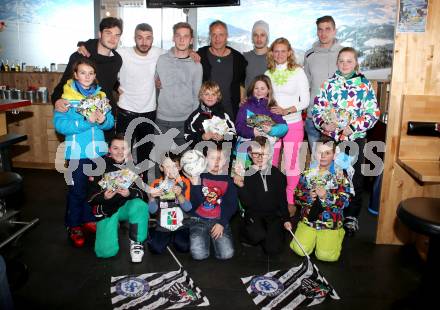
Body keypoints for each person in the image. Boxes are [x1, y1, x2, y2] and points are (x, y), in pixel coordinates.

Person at [312, 47, 380, 236]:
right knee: (328, 175)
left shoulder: (364, 85)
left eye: (349, 61)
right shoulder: (328, 84)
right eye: (341, 61)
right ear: (337, 63)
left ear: (356, 63)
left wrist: (354, 127)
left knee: (353, 178)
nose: (345, 64)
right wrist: (324, 123)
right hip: (330, 140)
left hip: (353, 140)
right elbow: (317, 109)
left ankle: (351, 216)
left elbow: (373, 113)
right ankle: (329, 210)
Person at [53, 58, 114, 247]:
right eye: (83, 73)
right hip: (77, 154)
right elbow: (60, 125)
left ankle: (88, 219)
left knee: (94, 190)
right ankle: (74, 225)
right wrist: (86, 122)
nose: (87, 76)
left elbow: (110, 123)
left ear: (95, 76)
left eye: (90, 73)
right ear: (75, 74)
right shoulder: (66, 98)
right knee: (77, 191)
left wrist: (104, 120)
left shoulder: (101, 97)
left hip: (98, 154)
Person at [265, 37, 310, 217]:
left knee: (291, 164)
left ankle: (290, 202)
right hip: (273, 126)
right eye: (276, 51)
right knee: (271, 162)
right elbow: (264, 98)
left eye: (283, 51)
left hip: (293, 123)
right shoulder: (268, 73)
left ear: (289, 52)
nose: (280, 54)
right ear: (272, 53)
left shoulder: (298, 72)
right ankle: (272, 197)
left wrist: (286, 111)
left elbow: (305, 100)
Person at [88, 135, 149, 262]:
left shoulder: (134, 166)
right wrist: (103, 196)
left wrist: (129, 193)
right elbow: (90, 197)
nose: (120, 152)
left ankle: (137, 241)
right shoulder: (98, 165)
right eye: (115, 148)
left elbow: (143, 193)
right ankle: (111, 225)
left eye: (124, 148)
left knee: (140, 205)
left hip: (126, 207)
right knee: (105, 252)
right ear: (109, 149)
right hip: (107, 209)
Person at [291, 137, 351, 262]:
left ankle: (338, 234)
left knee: (326, 256)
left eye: (327, 153)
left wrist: (326, 196)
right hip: (309, 220)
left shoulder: (340, 176)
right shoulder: (307, 173)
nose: (323, 156)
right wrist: (308, 197)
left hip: (330, 223)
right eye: (320, 152)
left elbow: (345, 201)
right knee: (299, 250)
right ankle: (305, 232)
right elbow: (297, 195)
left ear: (334, 155)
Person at [52, 17, 123, 116]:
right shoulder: (80, 56)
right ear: (100, 34)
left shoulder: (117, 60)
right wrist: (57, 100)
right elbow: (63, 85)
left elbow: (107, 81)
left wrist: (117, 86)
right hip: (80, 116)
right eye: (108, 33)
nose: (113, 39)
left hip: (105, 116)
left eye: (117, 35)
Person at [235, 136, 292, 255]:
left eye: (263, 154)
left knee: (273, 249)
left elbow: (282, 199)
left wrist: (286, 218)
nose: (260, 158)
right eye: (256, 154)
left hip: (273, 215)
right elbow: (247, 204)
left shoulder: (278, 175)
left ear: (270, 153)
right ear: (250, 154)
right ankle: (248, 234)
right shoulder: (245, 174)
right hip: (254, 214)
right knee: (257, 235)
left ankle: (268, 234)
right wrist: (241, 186)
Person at [155, 22, 203, 149]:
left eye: (186, 36)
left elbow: (197, 95)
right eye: (178, 35)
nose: (182, 39)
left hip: (185, 121)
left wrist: (192, 121)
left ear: (191, 40)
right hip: (162, 121)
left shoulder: (196, 64)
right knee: (161, 163)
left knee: (188, 163)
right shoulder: (162, 60)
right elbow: (155, 84)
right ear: (173, 38)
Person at [187, 145, 238, 260]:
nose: (216, 161)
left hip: (218, 220)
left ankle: (213, 237)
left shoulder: (228, 180)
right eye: (212, 158)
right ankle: (204, 237)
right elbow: (193, 205)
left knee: (227, 254)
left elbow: (232, 205)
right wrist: (195, 186)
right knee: (199, 255)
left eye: (220, 158)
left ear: (225, 160)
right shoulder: (199, 176)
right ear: (205, 159)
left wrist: (222, 222)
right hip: (198, 219)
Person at [304, 16, 343, 152]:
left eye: (327, 29)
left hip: (337, 119)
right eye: (320, 29)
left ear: (334, 31)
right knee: (316, 161)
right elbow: (306, 85)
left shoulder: (344, 54)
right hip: (313, 116)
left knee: (337, 164)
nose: (323, 33)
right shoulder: (309, 55)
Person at [197, 20, 247, 121]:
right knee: (208, 137)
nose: (217, 38)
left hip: (231, 114)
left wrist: (242, 99)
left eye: (221, 34)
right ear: (209, 36)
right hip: (207, 114)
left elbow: (242, 83)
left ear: (226, 36)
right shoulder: (201, 54)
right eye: (214, 34)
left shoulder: (238, 58)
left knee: (229, 137)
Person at [148, 153, 192, 254]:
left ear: (180, 168)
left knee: (184, 247)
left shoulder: (185, 182)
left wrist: (180, 195)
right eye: (168, 166)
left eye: (175, 166)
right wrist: (152, 197)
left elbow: (188, 208)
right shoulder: (156, 184)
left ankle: (174, 237)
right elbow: (152, 210)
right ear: (161, 168)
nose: (172, 170)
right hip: (163, 225)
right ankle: (153, 232)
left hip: (181, 224)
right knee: (155, 249)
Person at [184, 80, 236, 148]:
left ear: (218, 97)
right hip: (202, 154)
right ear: (201, 96)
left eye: (213, 94)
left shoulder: (224, 115)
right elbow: (187, 136)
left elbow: (234, 135)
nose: (210, 97)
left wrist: (223, 137)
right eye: (207, 94)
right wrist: (202, 137)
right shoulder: (195, 117)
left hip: (221, 154)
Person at [243, 20, 270, 90]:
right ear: (252, 37)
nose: (259, 39)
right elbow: (240, 83)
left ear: (267, 37)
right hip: (249, 100)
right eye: (255, 35)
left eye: (262, 35)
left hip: (269, 100)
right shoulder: (245, 58)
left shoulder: (274, 57)